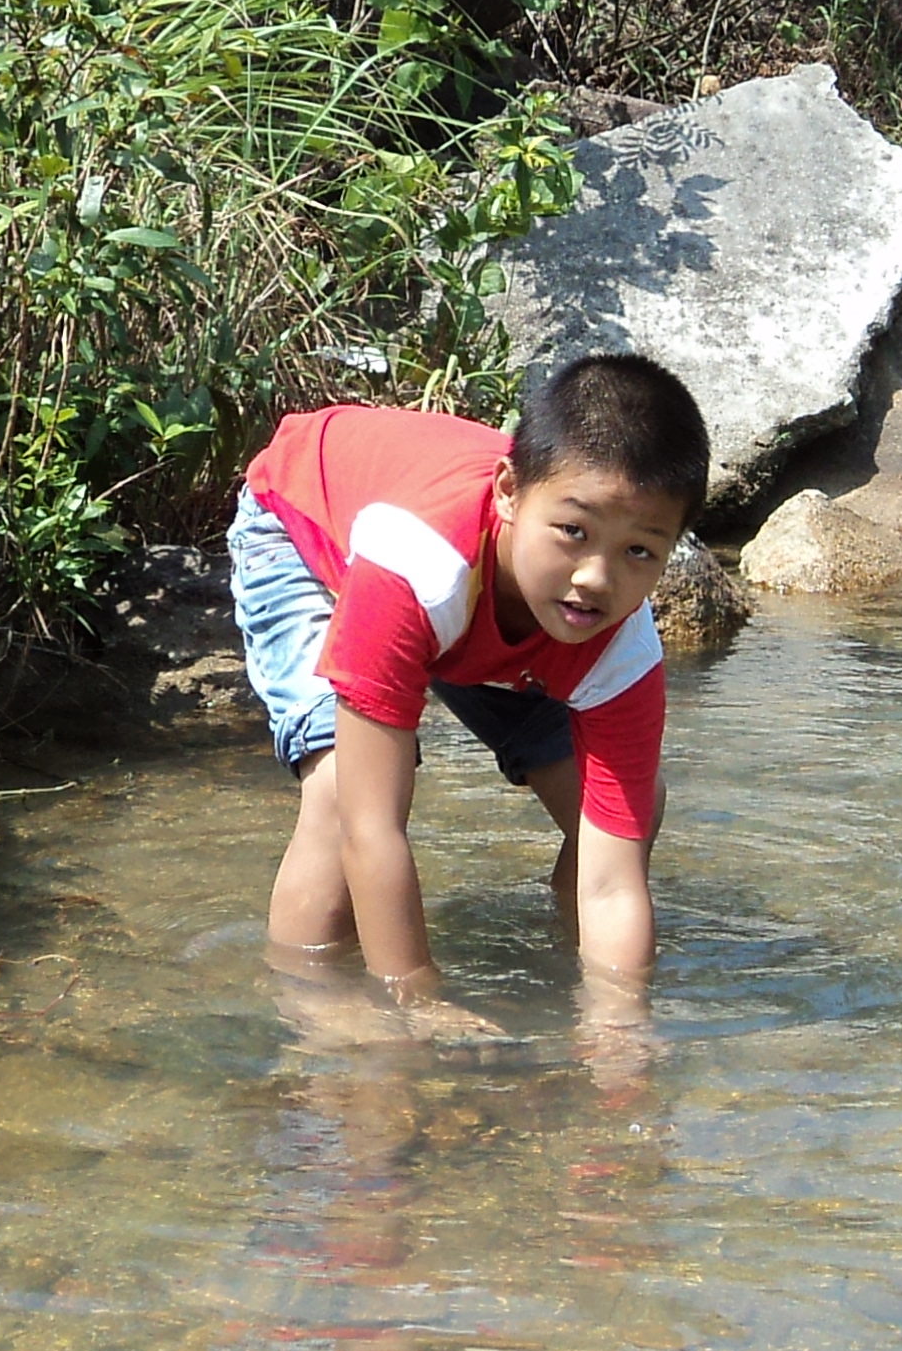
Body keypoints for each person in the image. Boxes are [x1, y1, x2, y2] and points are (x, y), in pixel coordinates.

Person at [230, 352, 708, 1039]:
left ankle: (564, 955)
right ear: (509, 492)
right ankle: (314, 1013)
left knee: (626, 806)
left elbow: (614, 884)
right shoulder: (415, 566)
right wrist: (417, 1000)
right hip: (309, 533)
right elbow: (372, 829)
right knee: (341, 792)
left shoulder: (618, 642)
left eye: (639, 551)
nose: (596, 578)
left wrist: (620, 1032)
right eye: (573, 532)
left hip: (489, 610)